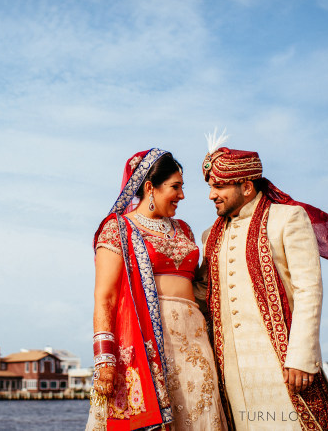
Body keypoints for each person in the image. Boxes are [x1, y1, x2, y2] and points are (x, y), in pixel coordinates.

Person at [196, 135, 328, 430]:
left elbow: (309, 290)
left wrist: (302, 357)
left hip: (283, 364)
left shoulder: (287, 218)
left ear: (246, 186)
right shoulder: (210, 235)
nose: (211, 195)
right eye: (210, 187)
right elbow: (202, 294)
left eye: (218, 186)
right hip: (231, 370)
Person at [87, 148, 227, 431]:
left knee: (201, 414)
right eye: (175, 187)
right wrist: (104, 359)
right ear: (150, 187)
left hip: (196, 340)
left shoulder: (184, 230)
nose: (182, 195)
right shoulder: (118, 229)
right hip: (148, 340)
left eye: (182, 187)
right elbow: (106, 297)